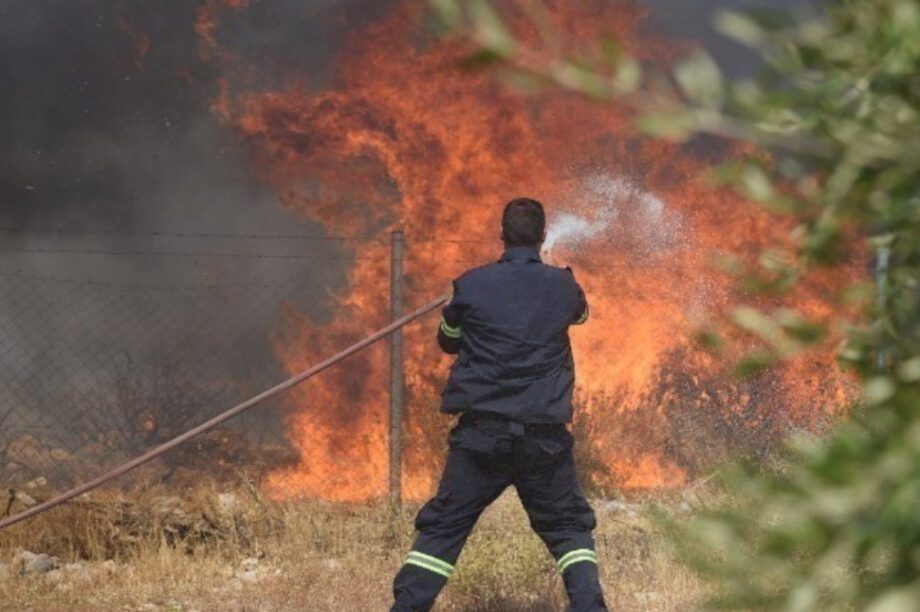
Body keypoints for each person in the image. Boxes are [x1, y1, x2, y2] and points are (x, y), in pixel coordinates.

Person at [391, 197, 607, 611]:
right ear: (543, 236)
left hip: (481, 438)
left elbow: (448, 340)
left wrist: (457, 305)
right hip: (543, 439)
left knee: (443, 529)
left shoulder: (470, 285)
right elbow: (579, 316)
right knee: (568, 529)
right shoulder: (563, 285)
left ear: (501, 235)